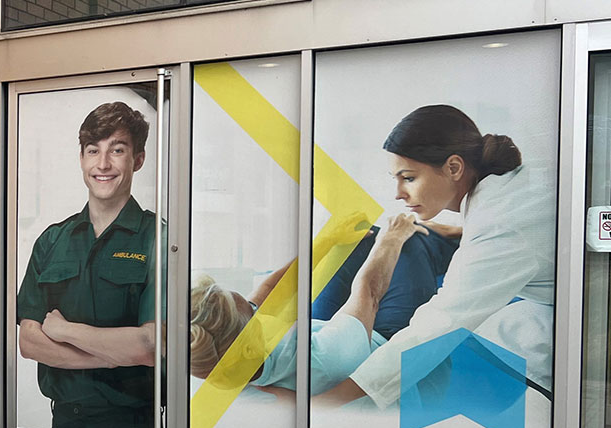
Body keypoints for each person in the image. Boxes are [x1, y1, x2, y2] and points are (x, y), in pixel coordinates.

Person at [319, 104, 555, 407]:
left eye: (408, 178)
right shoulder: (503, 197)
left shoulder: (499, 224)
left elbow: (440, 323)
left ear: (454, 167)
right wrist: (461, 232)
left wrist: (334, 399)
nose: (398, 193)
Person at [16, 101, 160, 428]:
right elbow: (29, 341)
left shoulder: (159, 239)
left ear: (137, 159)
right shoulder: (52, 240)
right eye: (93, 151)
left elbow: (150, 345)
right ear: (82, 159)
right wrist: (111, 356)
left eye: (118, 150)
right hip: (63, 424)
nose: (103, 164)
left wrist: (67, 331)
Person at [190, 213, 447, 394]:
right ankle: (444, 241)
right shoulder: (323, 360)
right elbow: (369, 294)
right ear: (247, 347)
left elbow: (269, 291)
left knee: (359, 235)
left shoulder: (217, 354)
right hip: (374, 339)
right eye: (253, 311)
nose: (255, 305)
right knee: (407, 241)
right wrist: (392, 238)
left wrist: (326, 240)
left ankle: (430, 237)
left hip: (319, 330)